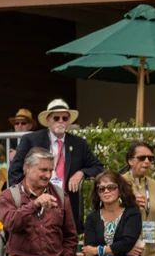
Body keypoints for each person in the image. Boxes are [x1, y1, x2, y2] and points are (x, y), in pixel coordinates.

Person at [0, 147, 76, 256]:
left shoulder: (61, 196)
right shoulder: (9, 196)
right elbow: (11, 223)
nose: (48, 175)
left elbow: (71, 237)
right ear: (27, 167)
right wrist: (34, 205)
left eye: (50, 170)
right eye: (43, 170)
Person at [8, 99, 102, 231]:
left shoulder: (79, 144)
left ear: (69, 121)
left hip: (66, 206)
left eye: (65, 118)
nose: (61, 121)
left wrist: (81, 173)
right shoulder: (31, 140)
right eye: (56, 118)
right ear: (48, 120)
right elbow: (15, 171)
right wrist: (26, 199)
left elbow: (97, 167)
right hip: (36, 202)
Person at [81, 171, 146, 256]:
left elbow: (128, 242)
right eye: (101, 188)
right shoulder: (92, 217)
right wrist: (122, 250)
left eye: (111, 187)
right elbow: (88, 250)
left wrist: (99, 250)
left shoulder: (132, 213)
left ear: (120, 189)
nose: (106, 191)